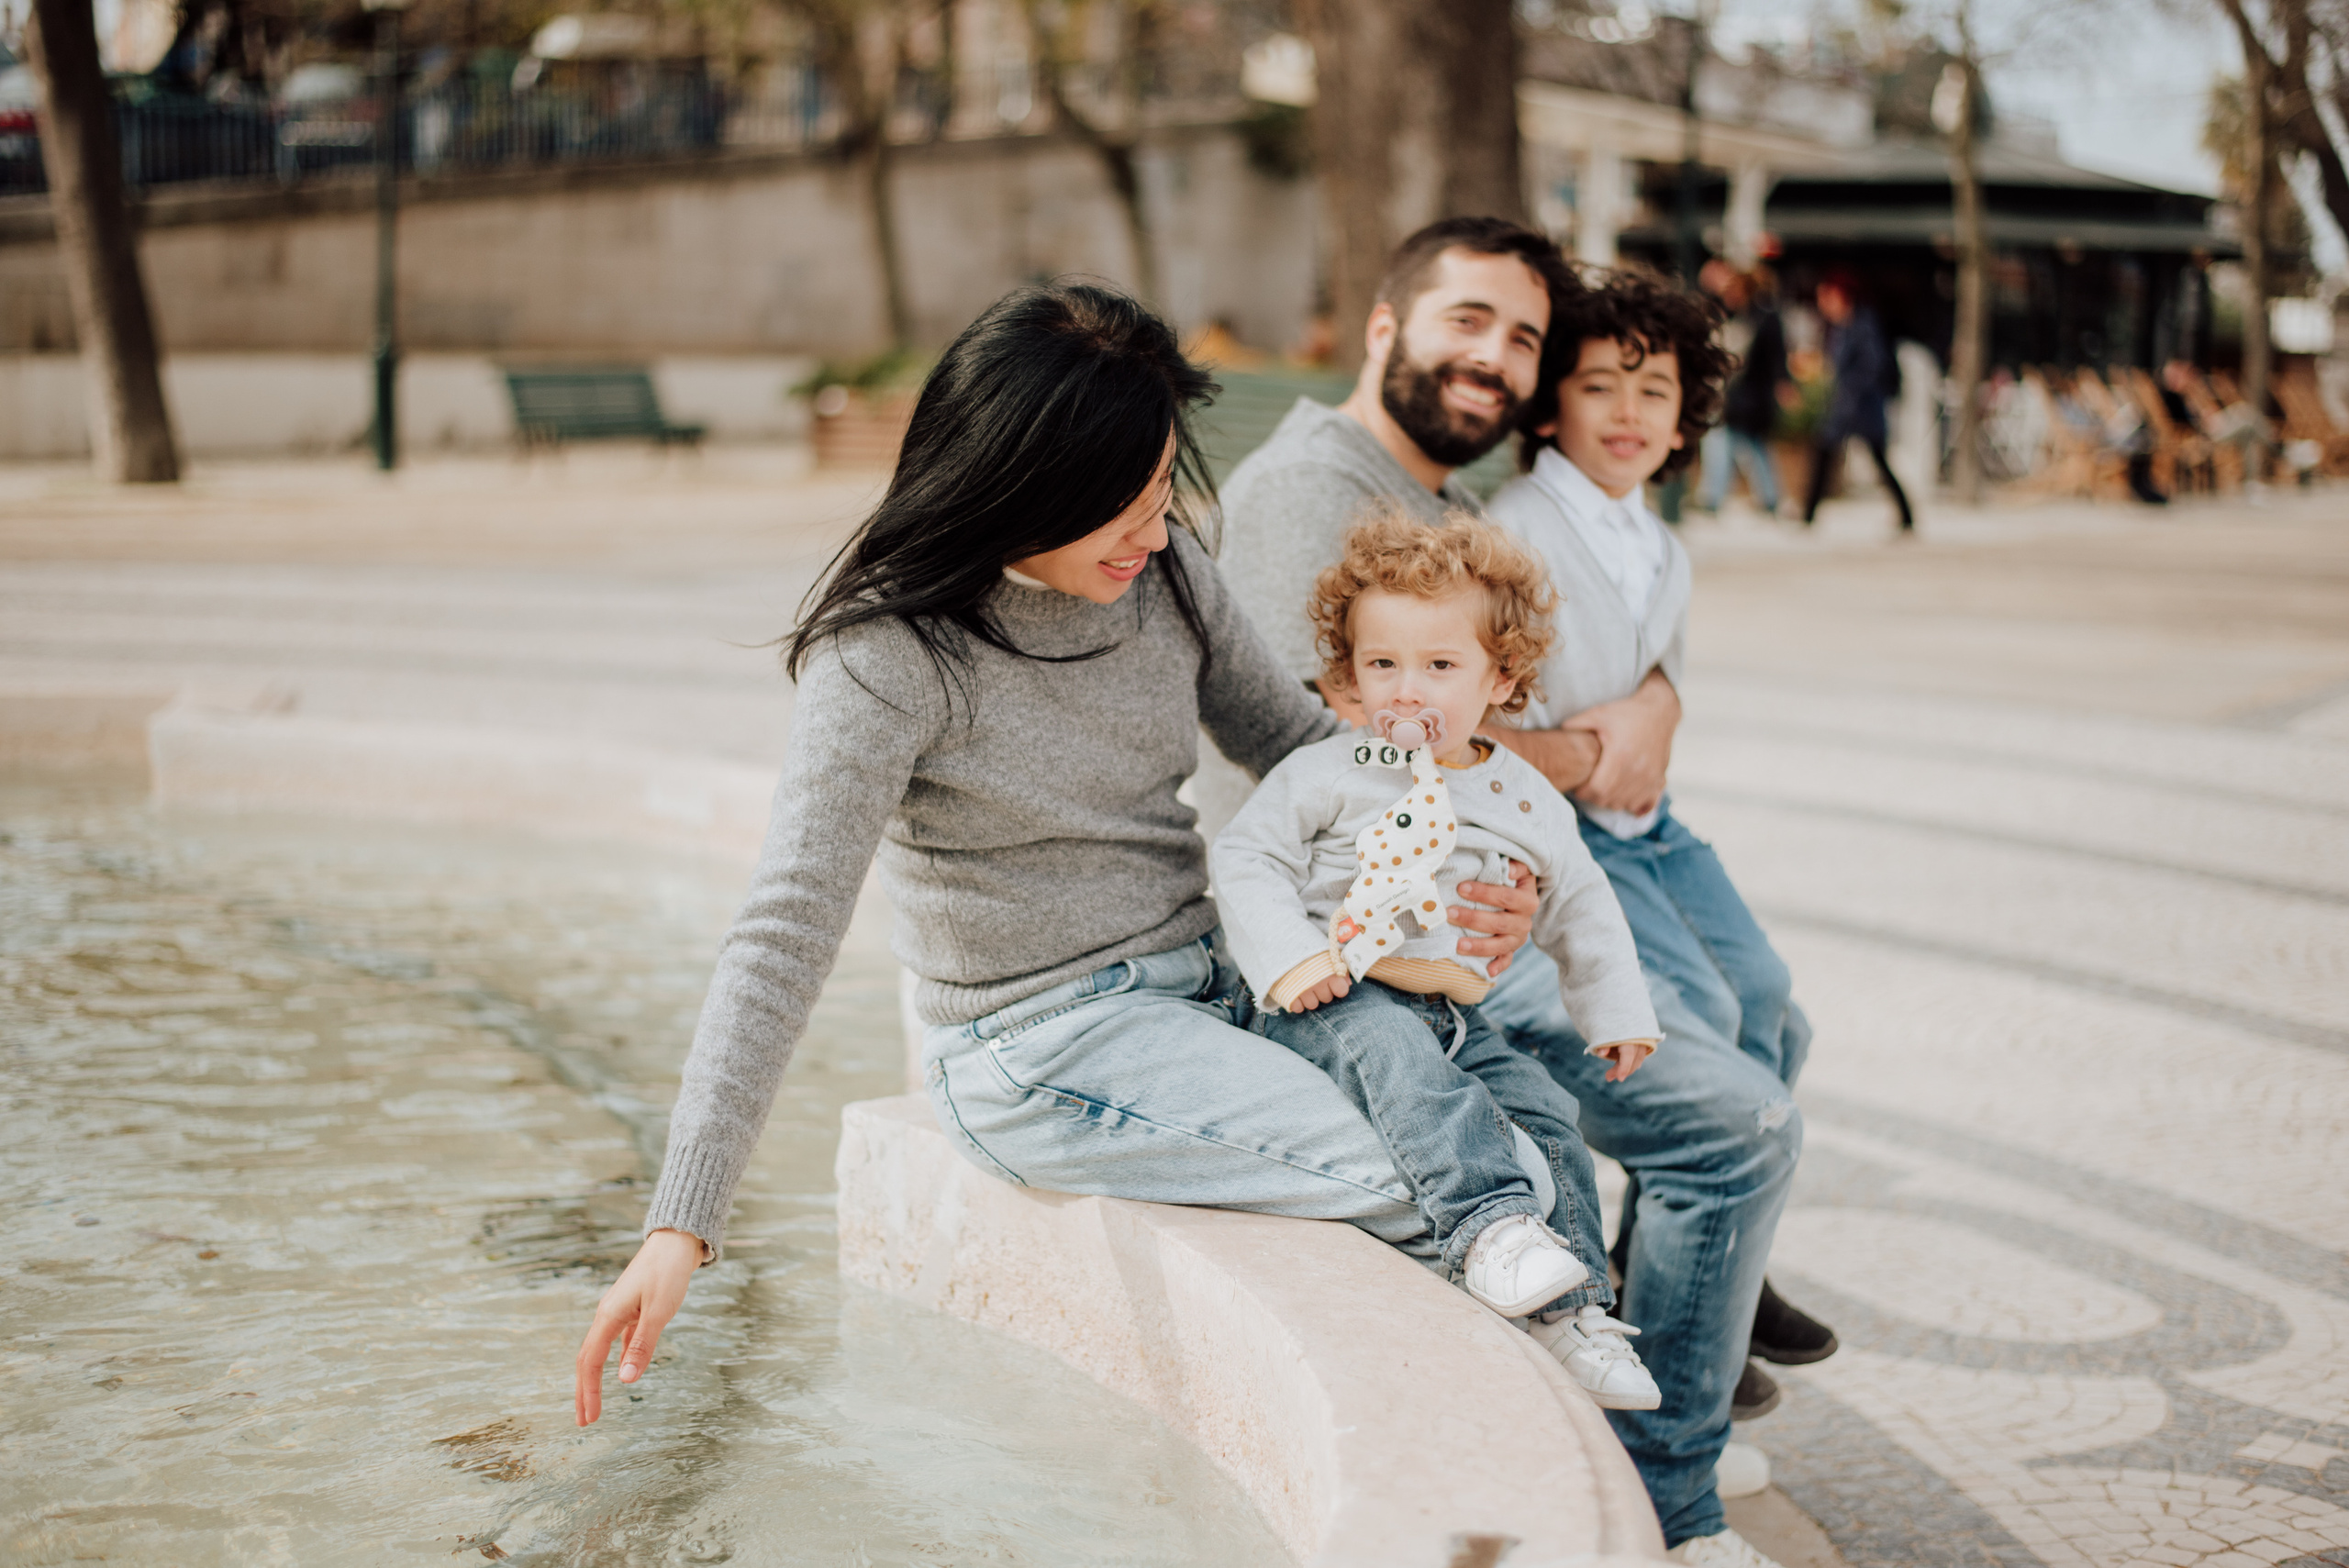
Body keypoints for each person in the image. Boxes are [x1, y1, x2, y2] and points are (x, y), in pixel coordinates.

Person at [571, 281, 1548, 1427]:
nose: (1154, 528)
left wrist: (1478, 852)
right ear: (1019, 486)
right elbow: (783, 934)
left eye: (1160, 489)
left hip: (1211, 984)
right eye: (1120, 506)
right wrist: (680, 1224)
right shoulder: (890, 657)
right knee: (1457, 1182)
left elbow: (1297, 747)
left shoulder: (1164, 569)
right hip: (1036, 1042)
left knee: (1507, 1124)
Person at [1480, 267, 1830, 1568]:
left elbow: (1649, 671)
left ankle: (1696, 1315)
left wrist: (1652, 714)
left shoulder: (1659, 536)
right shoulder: (1520, 520)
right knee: (1727, 1085)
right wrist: (1587, 746)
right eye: (1599, 385)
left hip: (1657, 831)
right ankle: (1685, 1398)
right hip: (1586, 844)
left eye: (1655, 390)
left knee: (1772, 1012)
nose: (1628, 411)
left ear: (1689, 416)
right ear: (1550, 404)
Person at [1211, 509, 1665, 1409]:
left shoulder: (1522, 793)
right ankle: (1488, 1226)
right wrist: (1292, 955)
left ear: (1502, 677)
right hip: (1331, 996)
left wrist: (1614, 1011)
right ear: (1347, 674)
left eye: (1439, 666)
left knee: (1545, 1106)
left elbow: (1580, 901)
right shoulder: (1331, 768)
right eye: (1382, 664)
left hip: (1454, 1008)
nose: (1405, 688)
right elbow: (1245, 854)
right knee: (1405, 1065)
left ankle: (1575, 1306)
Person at [1799, 270, 1913, 532]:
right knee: (1826, 455)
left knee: (1877, 461)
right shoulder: (1840, 327)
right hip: (1848, 406)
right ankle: (1808, 513)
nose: (1822, 304)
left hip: (1863, 407)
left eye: (1825, 297)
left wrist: (1851, 392)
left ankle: (1907, 515)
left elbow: (1872, 363)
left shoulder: (1862, 324)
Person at [1695, 261, 1789, 517]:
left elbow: (1776, 355)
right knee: (1724, 442)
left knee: (1749, 444)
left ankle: (1764, 497)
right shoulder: (1728, 314)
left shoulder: (1762, 317)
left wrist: (1783, 384)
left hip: (1751, 395)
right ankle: (1716, 497)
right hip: (1731, 395)